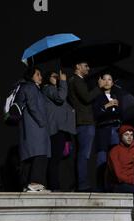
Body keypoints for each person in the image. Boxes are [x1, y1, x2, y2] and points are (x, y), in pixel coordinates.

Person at [68, 61, 102, 192]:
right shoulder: (76, 80)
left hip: (81, 121)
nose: (89, 68)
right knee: (84, 155)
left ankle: (81, 183)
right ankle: (82, 184)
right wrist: (99, 87)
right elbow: (87, 98)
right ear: (77, 66)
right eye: (86, 65)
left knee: (82, 154)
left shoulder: (75, 81)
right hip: (85, 122)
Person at [17, 67, 51, 193]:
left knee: (32, 155)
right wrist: (42, 122)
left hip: (32, 127)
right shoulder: (30, 87)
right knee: (39, 154)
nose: (40, 76)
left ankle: (28, 184)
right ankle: (34, 183)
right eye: (38, 74)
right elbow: (32, 106)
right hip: (35, 127)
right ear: (31, 76)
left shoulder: (30, 87)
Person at [42, 70, 76, 191]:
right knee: (54, 159)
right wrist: (62, 81)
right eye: (54, 76)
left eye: (58, 76)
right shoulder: (48, 88)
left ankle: (61, 185)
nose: (57, 78)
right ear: (48, 78)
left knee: (63, 160)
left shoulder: (57, 89)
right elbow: (60, 98)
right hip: (55, 130)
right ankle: (54, 186)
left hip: (63, 130)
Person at [93, 73, 121, 192]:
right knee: (102, 159)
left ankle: (113, 185)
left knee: (115, 159)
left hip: (115, 129)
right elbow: (95, 113)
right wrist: (107, 105)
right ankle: (100, 186)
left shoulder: (116, 96)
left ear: (113, 83)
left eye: (110, 79)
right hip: (103, 129)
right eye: (104, 79)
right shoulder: (97, 97)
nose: (107, 81)